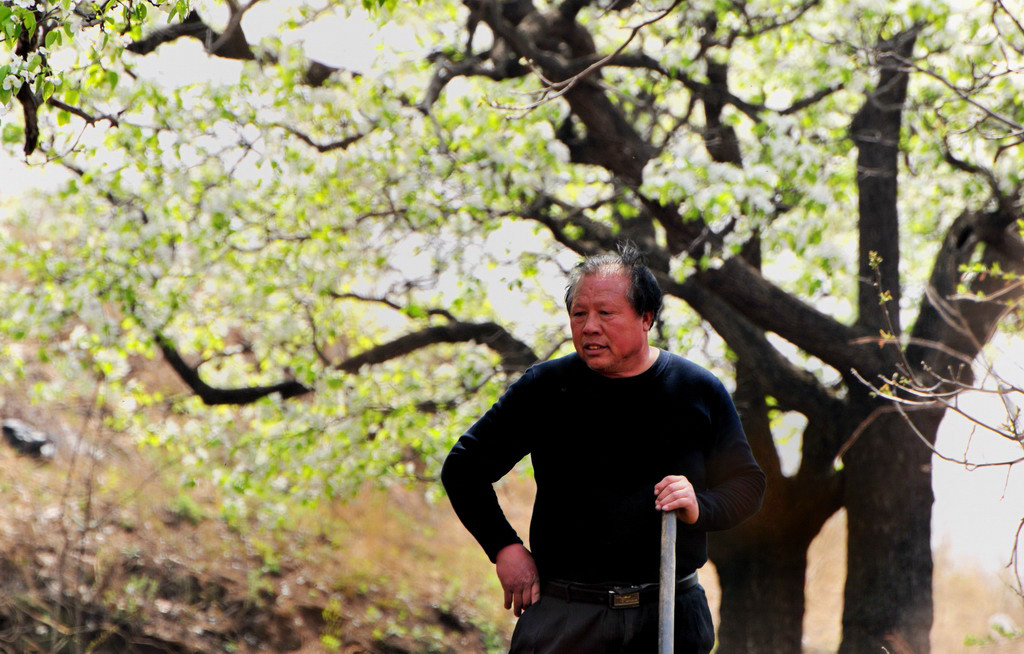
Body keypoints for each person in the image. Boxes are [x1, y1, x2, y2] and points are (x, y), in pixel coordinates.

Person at [441, 244, 766, 653]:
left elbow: (747, 485)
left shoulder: (697, 390)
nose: (589, 326)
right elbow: (464, 469)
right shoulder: (545, 388)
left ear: (646, 318)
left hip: (670, 615)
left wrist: (699, 505)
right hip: (566, 616)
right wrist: (503, 546)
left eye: (605, 313)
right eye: (579, 314)